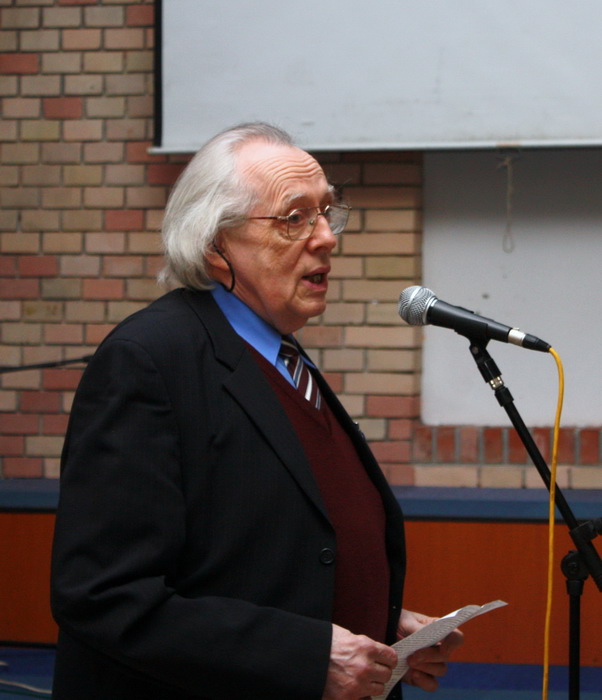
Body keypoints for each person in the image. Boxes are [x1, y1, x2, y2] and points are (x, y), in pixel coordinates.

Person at [51, 122, 462, 699]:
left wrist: (374, 621)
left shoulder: (281, 356)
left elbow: (263, 553)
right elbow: (104, 595)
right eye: (294, 218)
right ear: (216, 246)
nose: (326, 238)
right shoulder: (149, 362)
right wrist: (305, 655)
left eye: (327, 213)